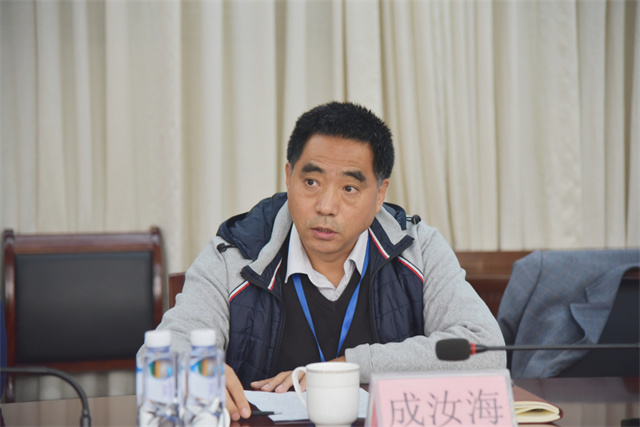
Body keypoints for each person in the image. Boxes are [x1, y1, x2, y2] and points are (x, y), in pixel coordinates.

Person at [148, 101, 506, 421]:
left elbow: (485, 351)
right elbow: (169, 345)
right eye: (311, 182)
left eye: (349, 188)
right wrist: (192, 371)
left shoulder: (417, 249)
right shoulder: (237, 253)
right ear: (288, 177)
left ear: (379, 194)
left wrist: (346, 367)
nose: (325, 206)